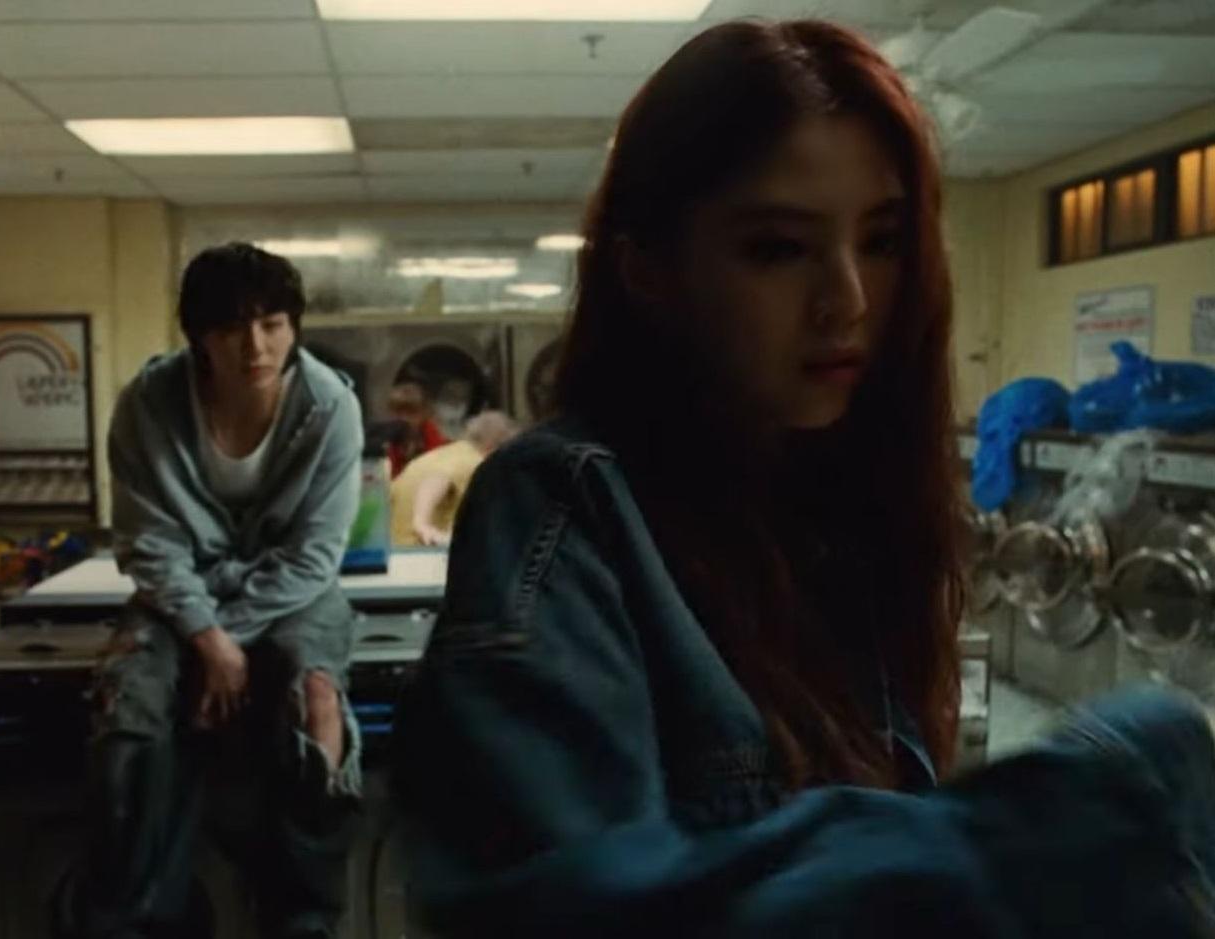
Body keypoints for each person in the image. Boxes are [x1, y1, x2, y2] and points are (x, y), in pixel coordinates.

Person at [393, 20, 1215, 939]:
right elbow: (561, 903)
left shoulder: (841, 510)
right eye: (777, 248)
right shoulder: (561, 505)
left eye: (882, 240)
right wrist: (1031, 831)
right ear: (649, 272)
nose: (847, 300)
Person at [77, 243, 364, 939]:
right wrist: (205, 637)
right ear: (198, 336)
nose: (255, 346)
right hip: (180, 596)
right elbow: (148, 541)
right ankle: (140, 918)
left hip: (294, 594)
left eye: (272, 324)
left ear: (293, 327)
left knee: (316, 703)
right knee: (131, 715)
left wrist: (223, 640)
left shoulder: (330, 405)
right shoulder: (149, 403)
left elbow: (313, 556)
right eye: (232, 327)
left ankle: (303, 918)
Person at [389, 411, 518, 547]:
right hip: (427, 549)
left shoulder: (445, 454)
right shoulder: (474, 462)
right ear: (496, 447)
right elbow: (438, 477)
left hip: (397, 549)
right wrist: (422, 524)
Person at [385, 379, 447, 478]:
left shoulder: (432, 437)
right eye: (398, 412)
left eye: (411, 413)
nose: (404, 418)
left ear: (424, 414)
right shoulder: (389, 437)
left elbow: (438, 467)